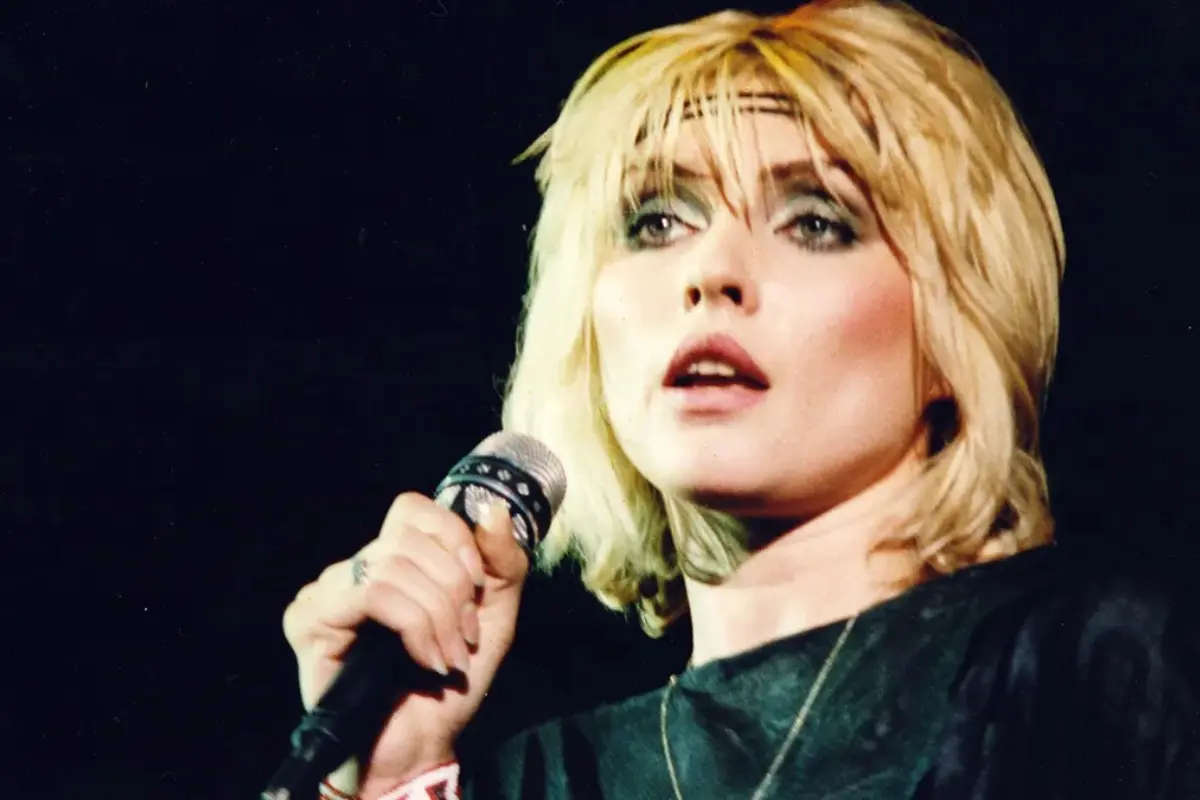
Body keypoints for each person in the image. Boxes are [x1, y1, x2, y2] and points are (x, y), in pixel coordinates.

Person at [281, 1, 1199, 798]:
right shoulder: (531, 781)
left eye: (815, 222)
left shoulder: (1096, 670)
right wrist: (387, 779)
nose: (709, 272)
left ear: (954, 331)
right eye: (657, 223)